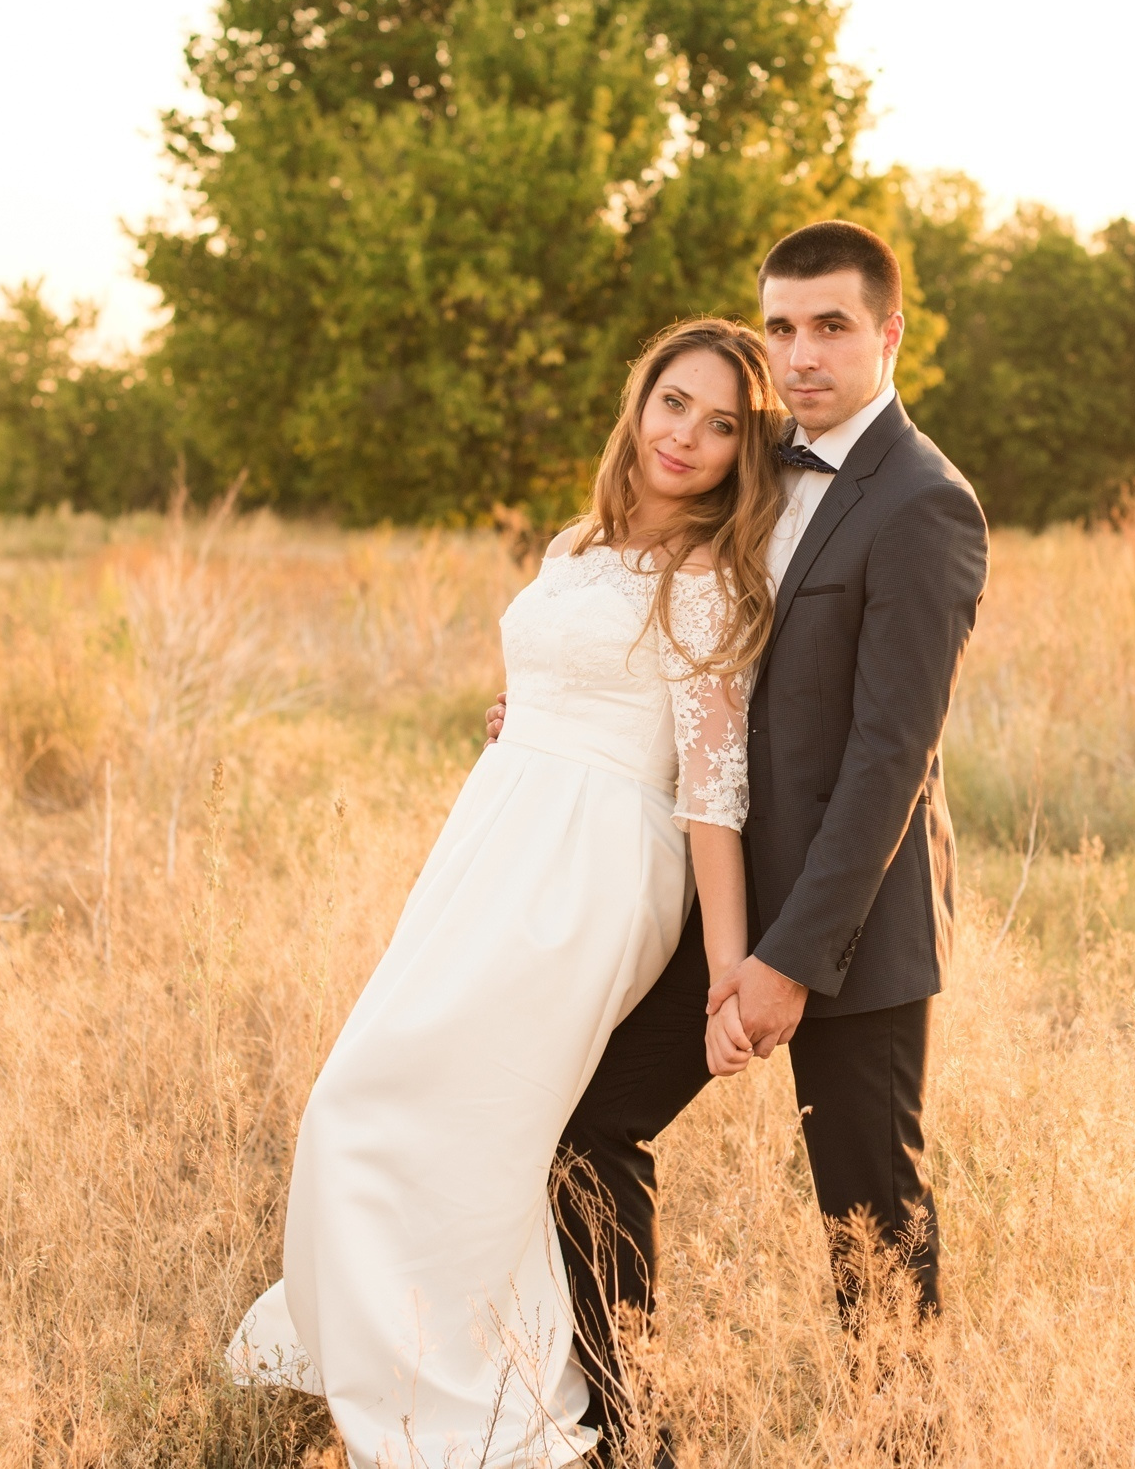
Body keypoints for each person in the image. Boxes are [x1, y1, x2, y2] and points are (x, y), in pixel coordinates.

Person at [227, 318, 789, 1469]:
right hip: (493, 840)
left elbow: (713, 794)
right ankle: (421, 1349)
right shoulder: (575, 545)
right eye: (673, 403)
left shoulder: (710, 584)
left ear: (745, 454)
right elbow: (551, 677)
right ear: (638, 403)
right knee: (373, 1097)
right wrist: (524, 723)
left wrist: (729, 968)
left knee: (460, 1116)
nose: (687, 436)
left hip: (586, 874)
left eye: (723, 425)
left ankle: (494, 1403)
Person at [505, 221, 990, 1460]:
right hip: (707, 893)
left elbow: (892, 763)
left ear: (890, 332)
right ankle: (638, 1431)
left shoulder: (925, 507)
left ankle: (905, 1445)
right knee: (584, 1128)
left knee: (869, 1224)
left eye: (831, 326)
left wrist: (785, 962)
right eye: (782, 326)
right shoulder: (748, 456)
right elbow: (663, 622)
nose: (801, 352)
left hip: (848, 922)